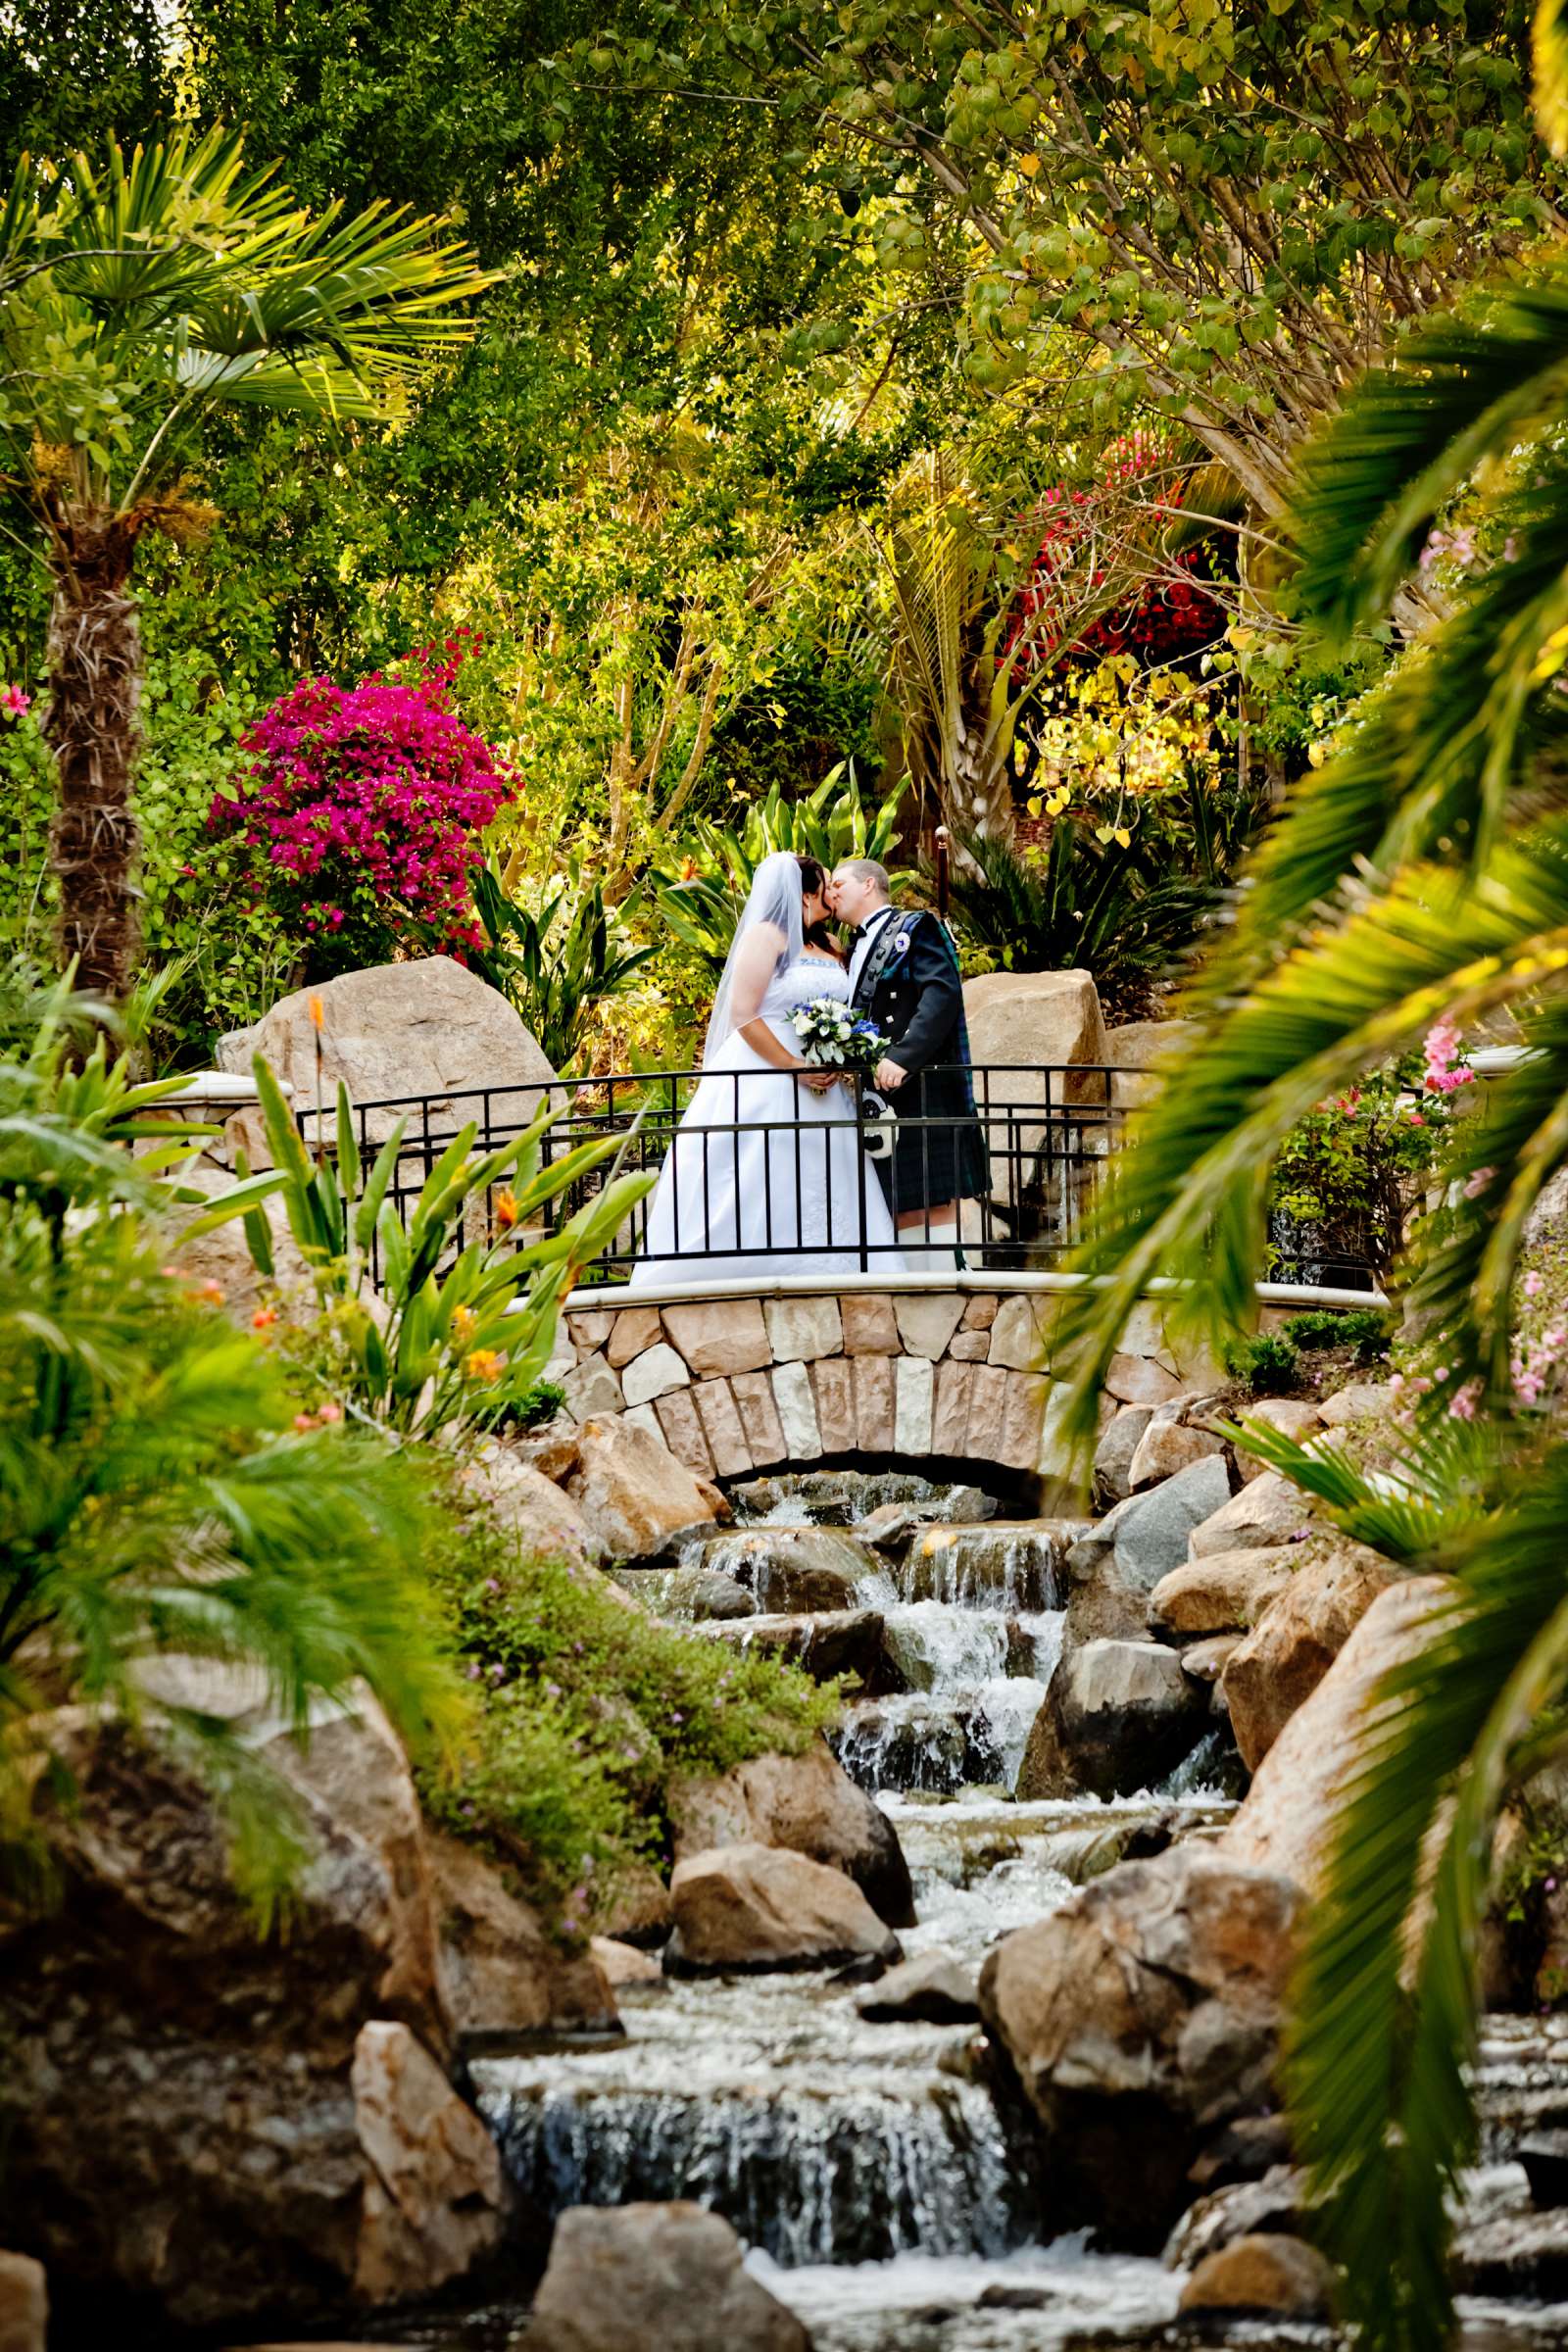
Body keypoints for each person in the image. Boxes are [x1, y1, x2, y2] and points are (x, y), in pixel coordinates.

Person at [625, 852, 904, 1287]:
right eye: (827, 884)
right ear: (806, 892)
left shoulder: (830, 946)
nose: (833, 893)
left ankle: (837, 1268)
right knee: (758, 1168)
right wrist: (793, 1067)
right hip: (766, 1069)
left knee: (824, 1165)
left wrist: (843, 1050)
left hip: (824, 1079)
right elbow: (744, 1014)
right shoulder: (767, 936)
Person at [829, 857, 989, 1270]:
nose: (832, 893)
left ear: (869, 885)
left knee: (932, 1192)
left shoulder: (916, 927)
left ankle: (945, 1278)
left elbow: (942, 994)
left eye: (838, 884)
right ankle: (911, 1279)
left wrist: (904, 1056)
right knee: (897, 1194)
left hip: (918, 1081)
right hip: (875, 1090)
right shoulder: (850, 948)